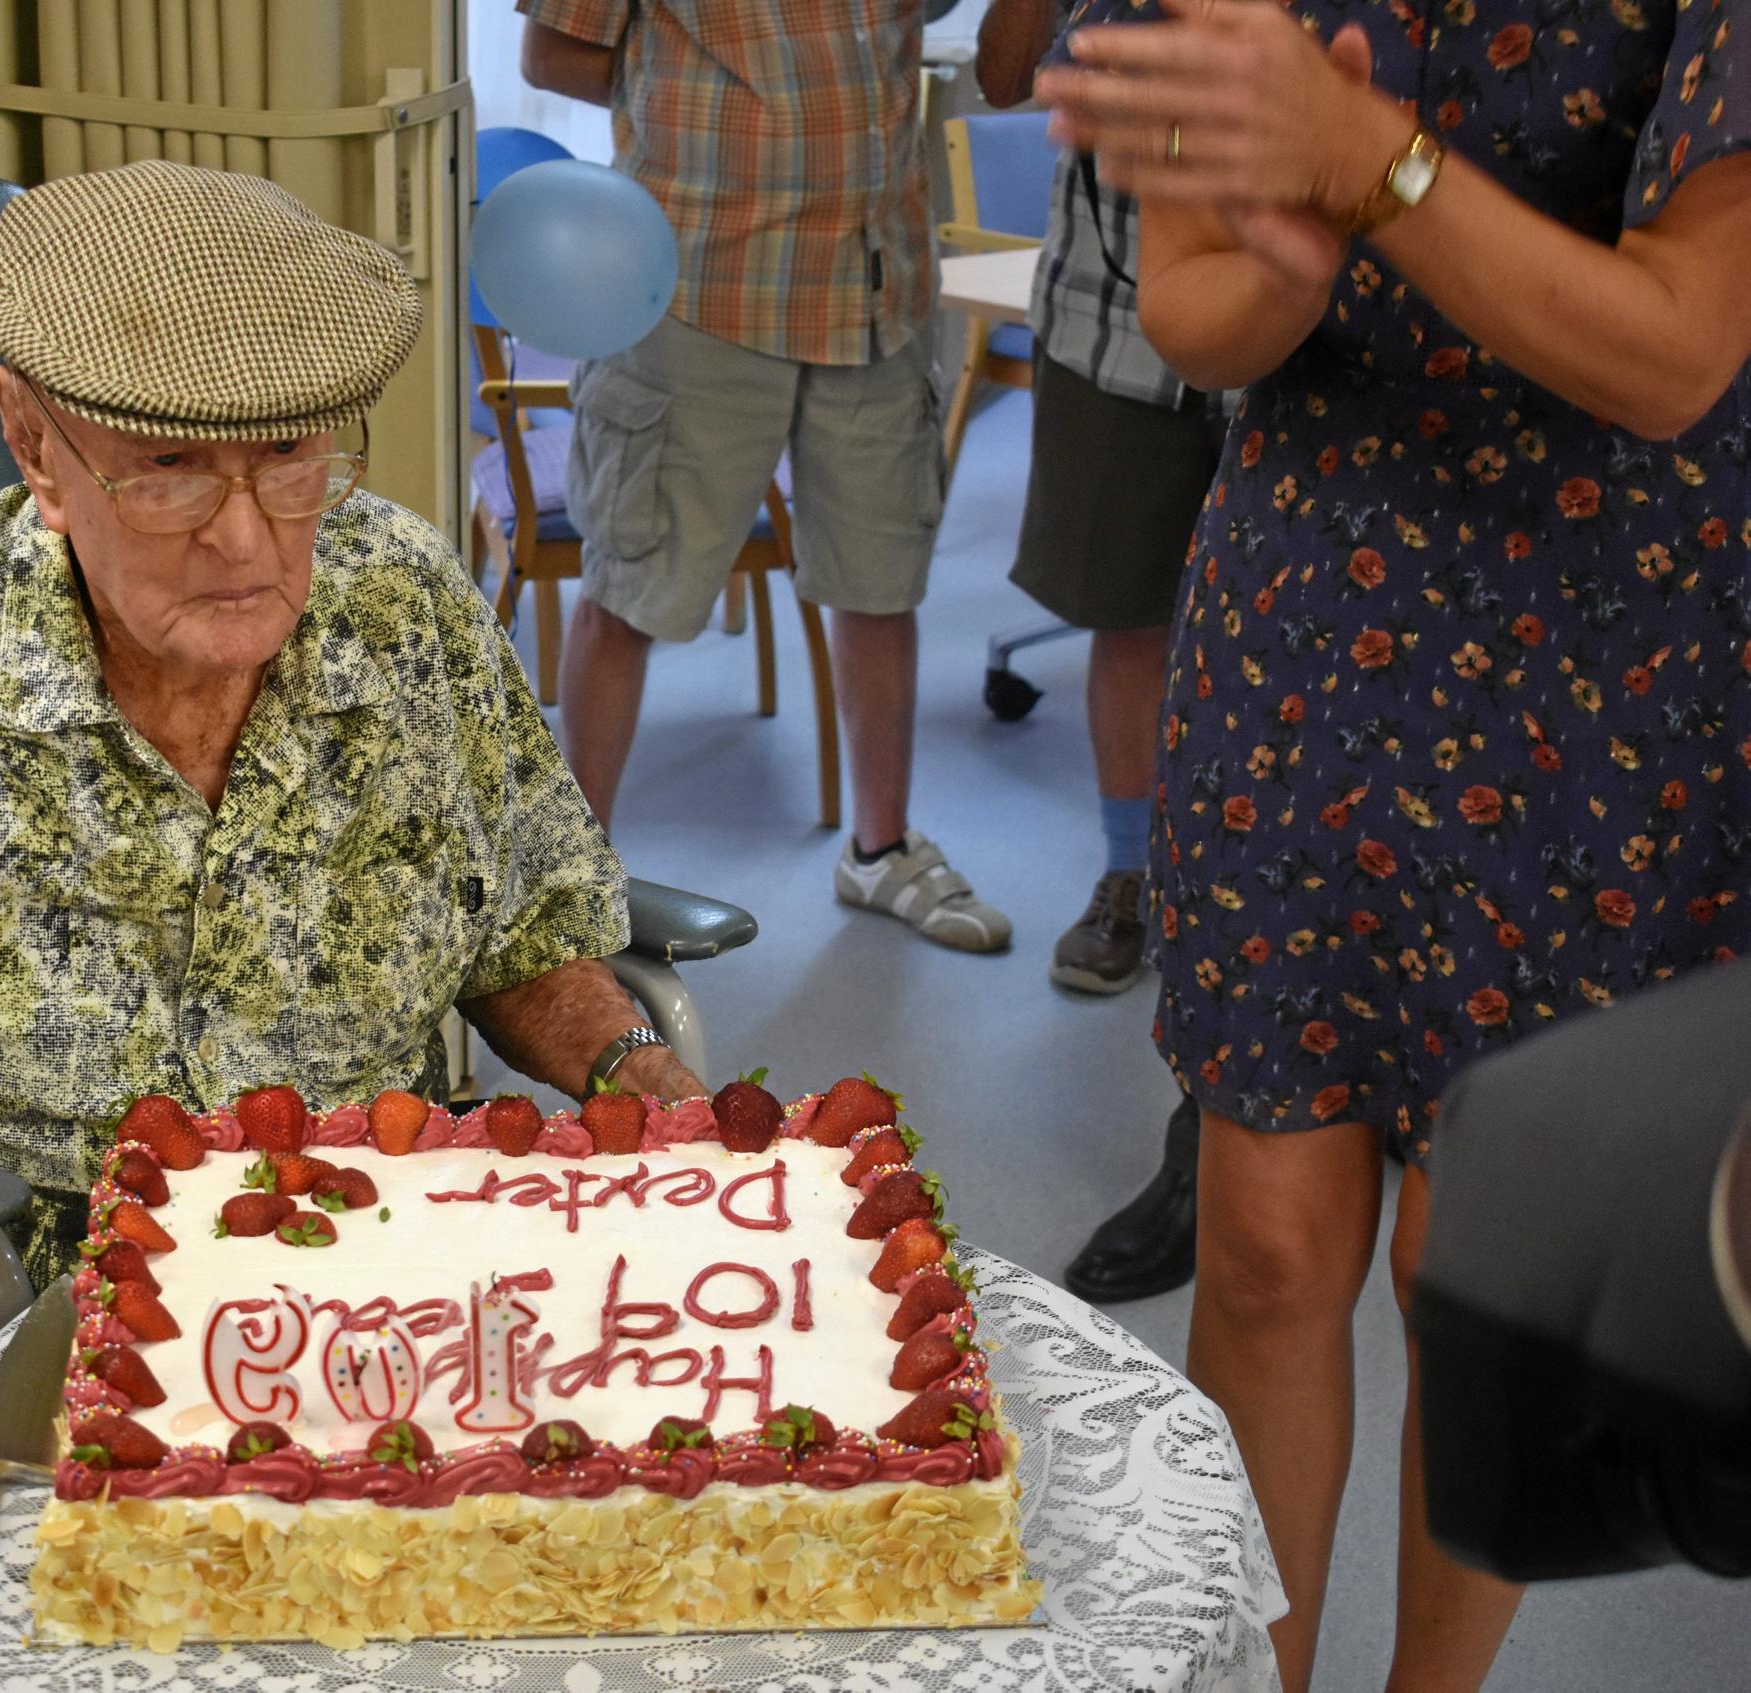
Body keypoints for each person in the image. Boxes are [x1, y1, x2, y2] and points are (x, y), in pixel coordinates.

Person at [0, 161, 706, 1484]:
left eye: (289, 455)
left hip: (400, 1282)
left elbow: (517, 938)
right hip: (55, 1328)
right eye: (166, 472)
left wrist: (640, 1074)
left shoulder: (405, 602)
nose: (246, 538)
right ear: (32, 443)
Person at [1038, 2, 1751, 1688]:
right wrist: (1288, 261)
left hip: (1607, 633)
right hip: (1310, 594)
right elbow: (1193, 310)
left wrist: (1377, 164)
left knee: (1471, 1259)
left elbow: (1670, 354)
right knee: (1266, 1242)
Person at [518, 0, 1010, 952]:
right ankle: (569, 887)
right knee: (629, 589)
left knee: (880, 582)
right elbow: (550, 55)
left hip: (876, 284)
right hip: (702, 285)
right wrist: (712, 101)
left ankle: (882, 848)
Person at [977, 0, 1222, 1302]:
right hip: (1107, 317)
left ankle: (1233, 915)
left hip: (1303, 336)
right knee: (1126, 613)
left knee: (1269, 662)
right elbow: (1002, 75)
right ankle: (1130, 882)